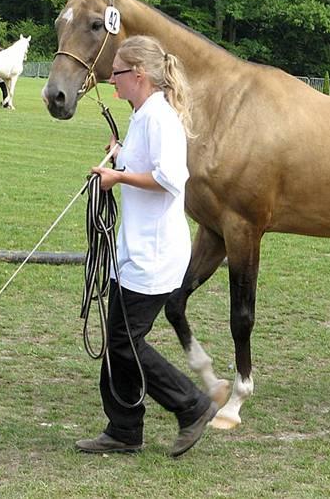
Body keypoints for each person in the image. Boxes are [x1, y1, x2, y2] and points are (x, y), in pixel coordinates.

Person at [76, 35, 217, 457]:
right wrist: (121, 159)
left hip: (154, 254)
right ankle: (123, 429)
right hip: (134, 250)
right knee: (119, 339)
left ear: (138, 75)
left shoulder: (160, 118)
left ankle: (191, 405)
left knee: (125, 343)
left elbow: (171, 179)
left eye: (117, 73)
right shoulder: (142, 116)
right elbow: (146, 165)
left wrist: (118, 178)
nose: (111, 80)